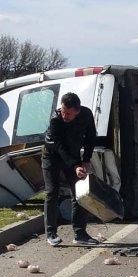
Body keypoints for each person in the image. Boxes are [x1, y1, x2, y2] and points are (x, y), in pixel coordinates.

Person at [42, 92, 98, 246]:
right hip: (52, 156)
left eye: (68, 113)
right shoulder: (55, 120)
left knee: (79, 193)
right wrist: (75, 166)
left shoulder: (86, 114)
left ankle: (80, 234)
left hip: (73, 156)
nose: (64, 115)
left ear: (77, 111)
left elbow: (91, 137)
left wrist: (86, 160)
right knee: (52, 191)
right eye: (62, 111)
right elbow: (59, 147)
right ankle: (51, 233)